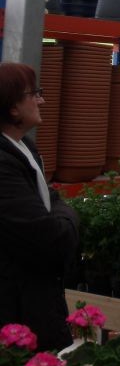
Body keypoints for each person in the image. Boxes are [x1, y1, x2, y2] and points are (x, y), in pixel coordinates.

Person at [0, 61, 80, 350]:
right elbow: (51, 238)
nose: (41, 100)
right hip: (18, 309)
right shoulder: (4, 165)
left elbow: (51, 200)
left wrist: (59, 213)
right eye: (33, 94)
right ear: (13, 108)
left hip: (39, 299)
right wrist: (69, 218)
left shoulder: (24, 148)